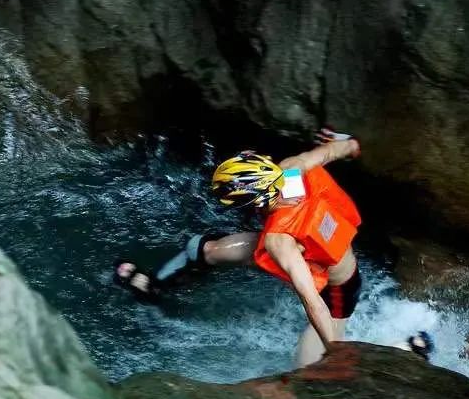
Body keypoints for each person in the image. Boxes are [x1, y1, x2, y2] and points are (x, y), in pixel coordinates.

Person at [114, 128, 401, 367]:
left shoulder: (279, 242)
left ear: (256, 202)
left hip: (336, 292)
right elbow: (327, 152)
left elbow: (312, 300)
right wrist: (350, 145)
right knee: (206, 249)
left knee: (308, 369)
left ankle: (403, 349)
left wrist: (335, 351)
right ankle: (155, 287)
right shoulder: (290, 171)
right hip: (311, 251)